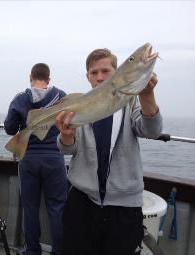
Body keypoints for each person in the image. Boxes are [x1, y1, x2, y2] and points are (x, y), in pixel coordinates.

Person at [55, 48, 163, 255]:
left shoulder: (130, 101)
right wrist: (66, 136)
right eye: (94, 73)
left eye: (105, 70)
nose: (99, 77)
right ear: (87, 76)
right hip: (82, 201)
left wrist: (147, 94)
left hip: (124, 205)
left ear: (116, 72)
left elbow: (151, 130)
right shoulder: (79, 105)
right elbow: (67, 149)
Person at [4, 63, 67, 255]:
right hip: (55, 158)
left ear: (31, 77)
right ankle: (59, 252)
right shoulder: (61, 96)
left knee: (30, 209)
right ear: (49, 78)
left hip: (28, 159)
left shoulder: (20, 98)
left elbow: (8, 128)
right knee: (57, 209)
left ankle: (32, 250)